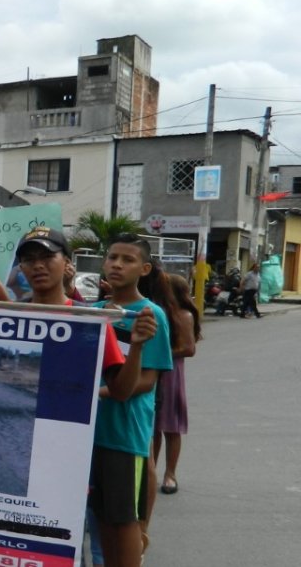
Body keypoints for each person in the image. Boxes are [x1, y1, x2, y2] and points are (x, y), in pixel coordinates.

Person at [90, 233, 173, 567]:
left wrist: (97, 393)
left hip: (124, 437)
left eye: (127, 260)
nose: (117, 265)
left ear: (144, 268)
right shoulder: (94, 312)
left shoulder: (150, 315)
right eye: (112, 258)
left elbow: (146, 380)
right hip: (87, 434)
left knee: (121, 524)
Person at [152, 273, 198, 497]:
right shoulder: (158, 313)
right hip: (154, 373)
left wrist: (159, 354)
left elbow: (189, 348)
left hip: (171, 374)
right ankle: (150, 471)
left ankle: (170, 474)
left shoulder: (184, 315)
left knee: (171, 427)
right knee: (152, 428)